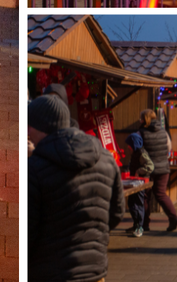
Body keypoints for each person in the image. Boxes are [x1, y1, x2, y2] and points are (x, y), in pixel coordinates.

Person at [28, 94, 124, 282]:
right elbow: (116, 213)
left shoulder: (34, 169)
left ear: (40, 127)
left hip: (50, 273)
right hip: (95, 272)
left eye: (29, 126)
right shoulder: (106, 158)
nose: (28, 132)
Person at [139, 108, 177, 232]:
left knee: (145, 196)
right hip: (163, 168)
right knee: (161, 194)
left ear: (144, 119)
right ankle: (173, 217)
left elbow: (139, 150)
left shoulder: (141, 132)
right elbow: (169, 148)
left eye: (141, 118)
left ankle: (144, 223)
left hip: (148, 168)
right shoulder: (163, 132)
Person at [124, 132, 154, 237]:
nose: (128, 147)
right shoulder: (135, 153)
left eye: (129, 145)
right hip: (134, 181)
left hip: (141, 182)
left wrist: (139, 170)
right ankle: (135, 224)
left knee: (138, 204)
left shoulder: (142, 153)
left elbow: (151, 166)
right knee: (132, 204)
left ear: (134, 144)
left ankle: (139, 226)